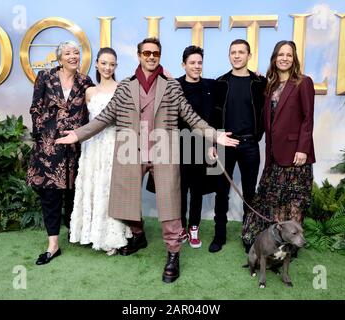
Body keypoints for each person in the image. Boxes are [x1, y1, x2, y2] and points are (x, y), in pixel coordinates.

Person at [56, 37, 239, 283]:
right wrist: (77, 135)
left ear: (159, 56)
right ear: (139, 55)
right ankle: (138, 234)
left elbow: (191, 117)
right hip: (130, 150)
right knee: (125, 200)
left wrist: (214, 134)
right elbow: (105, 117)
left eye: (155, 53)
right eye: (146, 53)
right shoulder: (125, 86)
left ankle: (173, 254)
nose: (151, 57)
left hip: (164, 151)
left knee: (170, 207)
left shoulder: (172, 86)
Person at [241, 40, 315, 252]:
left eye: (289, 55)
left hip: (295, 155)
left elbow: (307, 119)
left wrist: (303, 148)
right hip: (274, 154)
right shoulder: (270, 85)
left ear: (294, 59)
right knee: (271, 200)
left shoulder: (303, 82)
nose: (284, 58)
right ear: (274, 58)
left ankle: (291, 248)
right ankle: (271, 244)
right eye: (280, 54)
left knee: (293, 202)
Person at [26, 40, 95, 265]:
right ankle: (53, 245)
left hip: (75, 147)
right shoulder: (45, 76)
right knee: (50, 196)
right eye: (68, 53)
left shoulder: (85, 81)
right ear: (60, 58)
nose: (73, 56)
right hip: (49, 147)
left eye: (76, 52)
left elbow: (95, 108)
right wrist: (44, 134)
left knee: (74, 193)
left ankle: (75, 232)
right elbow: (35, 108)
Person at [69, 47, 132, 256]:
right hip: (92, 145)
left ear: (116, 67)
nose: (107, 67)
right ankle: (91, 232)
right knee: (94, 185)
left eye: (112, 64)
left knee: (109, 188)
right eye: (104, 63)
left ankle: (112, 236)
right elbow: (88, 121)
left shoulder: (122, 88)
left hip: (114, 143)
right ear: (96, 64)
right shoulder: (89, 92)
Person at [208, 39, 267, 253]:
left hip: (250, 144)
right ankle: (219, 235)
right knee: (221, 192)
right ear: (229, 55)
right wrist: (213, 142)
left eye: (241, 52)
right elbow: (213, 115)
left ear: (249, 55)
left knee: (250, 193)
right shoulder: (220, 83)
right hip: (225, 144)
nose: (236, 56)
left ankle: (248, 235)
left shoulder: (259, 83)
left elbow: (266, 109)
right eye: (233, 52)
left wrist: (257, 136)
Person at [177, 46, 219, 248]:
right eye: (192, 62)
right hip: (179, 146)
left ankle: (194, 227)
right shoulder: (174, 86)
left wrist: (213, 144)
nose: (196, 66)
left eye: (199, 62)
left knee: (196, 191)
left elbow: (214, 118)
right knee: (179, 190)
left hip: (202, 147)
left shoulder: (210, 86)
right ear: (183, 64)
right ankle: (180, 228)